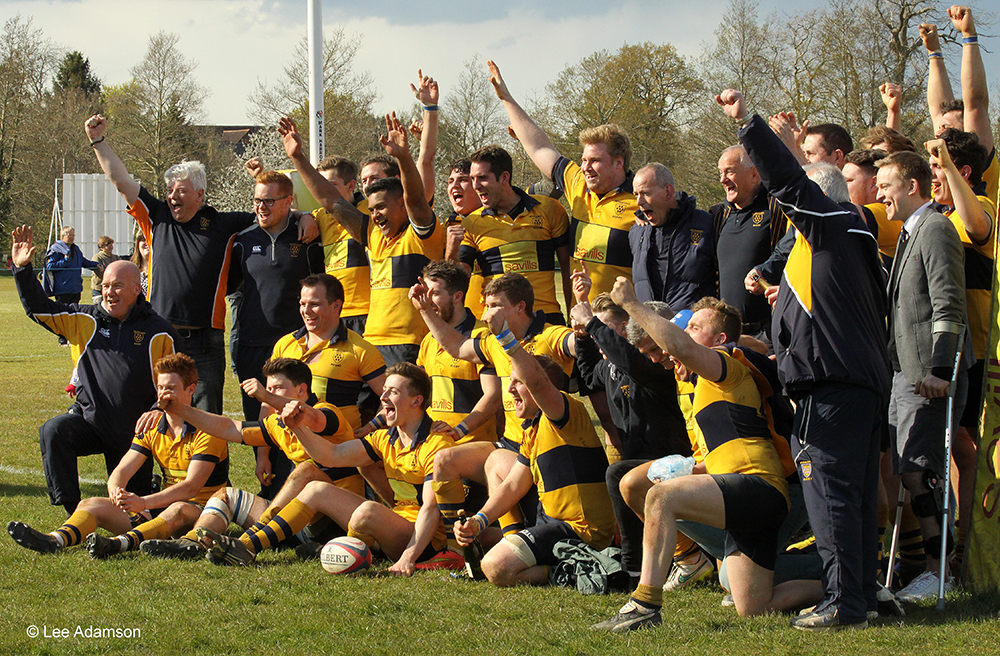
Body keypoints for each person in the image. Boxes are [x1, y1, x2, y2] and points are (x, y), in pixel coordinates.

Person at [716, 89, 890, 631]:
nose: (788, 216)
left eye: (795, 211)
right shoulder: (854, 241)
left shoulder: (827, 221)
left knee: (831, 495)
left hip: (829, 387)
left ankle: (841, 602)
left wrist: (748, 122)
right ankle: (862, 596)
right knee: (858, 498)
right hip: (862, 384)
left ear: (815, 204)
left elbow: (789, 181)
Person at [591, 280, 821, 631]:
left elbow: (680, 345)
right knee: (752, 605)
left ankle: (644, 605)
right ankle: (851, 581)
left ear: (719, 340)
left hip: (760, 488)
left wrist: (632, 304)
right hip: (743, 494)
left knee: (661, 497)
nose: (686, 330)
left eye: (695, 326)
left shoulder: (727, 364)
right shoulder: (701, 384)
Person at [83, 113, 317, 413]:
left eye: (180, 190)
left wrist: (302, 215)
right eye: (169, 190)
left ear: (200, 194)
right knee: (158, 413)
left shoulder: (224, 224)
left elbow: (270, 212)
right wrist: (98, 142)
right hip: (159, 333)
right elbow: (121, 180)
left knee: (208, 418)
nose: (171, 196)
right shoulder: (157, 218)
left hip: (206, 340)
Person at [196, 363, 466, 574]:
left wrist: (408, 558)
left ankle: (328, 546)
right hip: (394, 524)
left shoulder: (436, 443)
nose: (382, 395)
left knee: (367, 511)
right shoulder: (384, 437)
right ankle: (246, 546)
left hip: (424, 541)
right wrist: (296, 427)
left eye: (392, 391)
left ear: (417, 401)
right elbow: (330, 455)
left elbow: (431, 510)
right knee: (315, 488)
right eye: (384, 390)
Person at [10, 225, 177, 515]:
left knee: (133, 513)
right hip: (91, 422)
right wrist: (23, 270)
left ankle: (148, 490)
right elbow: (40, 309)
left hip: (135, 432)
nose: (109, 292)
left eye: (118, 286)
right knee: (54, 430)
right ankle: (74, 512)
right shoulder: (84, 319)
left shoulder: (159, 331)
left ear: (137, 289)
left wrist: (158, 409)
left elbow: (176, 382)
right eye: (106, 285)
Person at [7, 353, 228, 558]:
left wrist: (142, 502)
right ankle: (54, 540)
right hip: (161, 511)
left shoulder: (209, 429)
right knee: (90, 503)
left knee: (180, 508)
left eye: (171, 388)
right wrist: (116, 490)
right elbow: (123, 469)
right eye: (160, 388)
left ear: (191, 389)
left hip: (203, 513)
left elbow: (190, 488)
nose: (163, 394)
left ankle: (117, 545)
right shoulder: (151, 426)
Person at [139, 357, 361, 560]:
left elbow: (313, 419)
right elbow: (230, 427)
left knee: (307, 471)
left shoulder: (327, 412)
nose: (269, 397)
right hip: (297, 520)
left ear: (302, 390)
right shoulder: (276, 424)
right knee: (225, 496)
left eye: (277, 389)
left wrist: (266, 396)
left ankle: (248, 542)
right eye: (269, 388)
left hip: (339, 518)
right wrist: (180, 409)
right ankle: (191, 544)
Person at [876, 149, 973, 602]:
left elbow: (948, 304)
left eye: (886, 185)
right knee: (911, 473)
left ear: (911, 185)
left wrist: (939, 370)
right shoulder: (909, 234)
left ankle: (940, 573)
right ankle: (930, 570)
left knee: (924, 475)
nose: (879, 194)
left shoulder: (935, 229)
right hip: (904, 376)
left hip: (928, 377)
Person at [410, 272, 577, 536]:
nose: (487, 314)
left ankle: (512, 537)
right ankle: (456, 545)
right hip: (511, 442)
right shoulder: (493, 342)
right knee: (444, 459)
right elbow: (455, 346)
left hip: (549, 446)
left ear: (520, 307)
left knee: (496, 462)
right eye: (486, 306)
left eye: (496, 306)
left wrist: (587, 326)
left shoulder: (550, 336)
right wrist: (424, 310)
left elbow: (576, 343)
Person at [454, 326, 615, 587]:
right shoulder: (533, 428)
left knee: (495, 567)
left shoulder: (564, 411)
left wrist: (505, 334)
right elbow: (513, 485)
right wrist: (479, 520)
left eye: (518, 382)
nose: (510, 390)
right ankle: (518, 543)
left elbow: (538, 382)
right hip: (550, 522)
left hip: (581, 530)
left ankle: (567, 571)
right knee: (497, 461)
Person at [280, 113, 444, 366]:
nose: (375, 214)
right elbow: (331, 201)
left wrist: (403, 157)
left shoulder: (422, 234)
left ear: (402, 205)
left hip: (410, 344)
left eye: (381, 207)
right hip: (370, 343)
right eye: (372, 208)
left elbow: (417, 200)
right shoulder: (372, 234)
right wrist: (298, 157)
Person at [487, 60, 636, 300]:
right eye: (583, 159)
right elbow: (540, 148)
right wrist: (506, 98)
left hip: (622, 326)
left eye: (595, 160)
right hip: (582, 320)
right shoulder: (578, 183)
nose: (585, 167)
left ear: (619, 163)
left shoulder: (641, 201)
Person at [267, 274, 386, 497]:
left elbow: (390, 398)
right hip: (293, 452)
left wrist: (371, 427)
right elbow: (268, 400)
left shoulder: (360, 350)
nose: (306, 311)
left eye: (315, 304)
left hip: (338, 461)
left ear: (336, 305)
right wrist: (264, 455)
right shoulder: (285, 344)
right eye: (303, 304)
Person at [228, 169, 324, 424]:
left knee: (294, 417)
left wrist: (305, 216)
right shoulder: (242, 241)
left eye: (268, 201)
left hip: (294, 344)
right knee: (256, 422)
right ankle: (262, 465)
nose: (261, 206)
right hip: (252, 345)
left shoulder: (309, 239)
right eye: (257, 200)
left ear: (288, 201)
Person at [458, 144, 572, 323]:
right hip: (498, 323)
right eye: (472, 178)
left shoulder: (550, 209)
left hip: (546, 320)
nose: (476, 186)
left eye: (482, 178)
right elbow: (459, 278)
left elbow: (567, 267)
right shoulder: (471, 223)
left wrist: (574, 315)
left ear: (504, 177)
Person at [712, 146, 787, 341]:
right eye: (720, 172)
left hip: (768, 333)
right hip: (729, 335)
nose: (723, 179)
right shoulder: (719, 215)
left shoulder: (777, 208)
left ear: (754, 174)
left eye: (730, 171)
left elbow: (791, 252)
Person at [630, 163, 717, 311]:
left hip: (690, 329)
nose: (639, 201)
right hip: (648, 329)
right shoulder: (636, 232)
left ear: (668, 192)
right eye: (636, 194)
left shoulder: (707, 224)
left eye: (645, 193)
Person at [44, 226, 98, 345]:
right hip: (63, 288)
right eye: (70, 235)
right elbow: (50, 266)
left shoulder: (75, 249)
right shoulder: (56, 249)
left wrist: (96, 265)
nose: (72, 237)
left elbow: (83, 262)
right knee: (63, 314)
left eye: (73, 235)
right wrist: (65, 261)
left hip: (75, 287)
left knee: (74, 314)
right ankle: (62, 339)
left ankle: (72, 337)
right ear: (62, 236)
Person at [90, 235, 120, 305]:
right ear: (101, 248)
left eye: (111, 245)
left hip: (113, 289)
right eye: (108, 245)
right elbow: (100, 274)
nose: (111, 247)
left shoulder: (116, 257)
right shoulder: (97, 258)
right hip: (99, 289)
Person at [129, 232, 151, 297]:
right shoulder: (131, 269)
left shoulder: (164, 270)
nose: (146, 242)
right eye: (143, 239)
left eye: (149, 239)